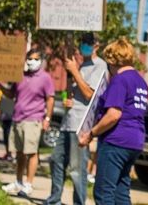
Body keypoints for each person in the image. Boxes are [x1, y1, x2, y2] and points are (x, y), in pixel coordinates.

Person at [78, 37, 148, 205]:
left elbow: (114, 115)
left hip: (116, 141)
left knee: (104, 192)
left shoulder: (120, 80)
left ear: (112, 60)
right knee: (121, 190)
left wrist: (91, 133)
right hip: (134, 142)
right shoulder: (141, 82)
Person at [44, 32, 108, 205]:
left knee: (77, 170)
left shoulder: (100, 65)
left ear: (97, 45)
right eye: (82, 43)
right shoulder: (82, 65)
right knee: (56, 161)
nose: (84, 46)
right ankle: (54, 200)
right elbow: (78, 93)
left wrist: (74, 71)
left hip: (81, 125)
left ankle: (79, 203)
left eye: (88, 43)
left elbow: (89, 94)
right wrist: (69, 99)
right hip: (68, 122)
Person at [0, 48, 55, 197]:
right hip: (18, 119)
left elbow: (50, 98)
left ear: (40, 61)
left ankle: (28, 184)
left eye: (35, 59)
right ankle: (18, 181)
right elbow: (11, 94)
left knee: (32, 152)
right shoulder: (20, 76)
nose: (31, 62)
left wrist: (47, 118)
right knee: (20, 153)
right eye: (29, 58)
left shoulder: (45, 78)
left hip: (33, 120)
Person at [0, 86, 15, 160]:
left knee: (10, 136)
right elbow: (0, 105)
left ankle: (11, 154)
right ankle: (8, 153)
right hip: (6, 116)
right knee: (6, 136)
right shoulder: (3, 91)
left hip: (12, 116)